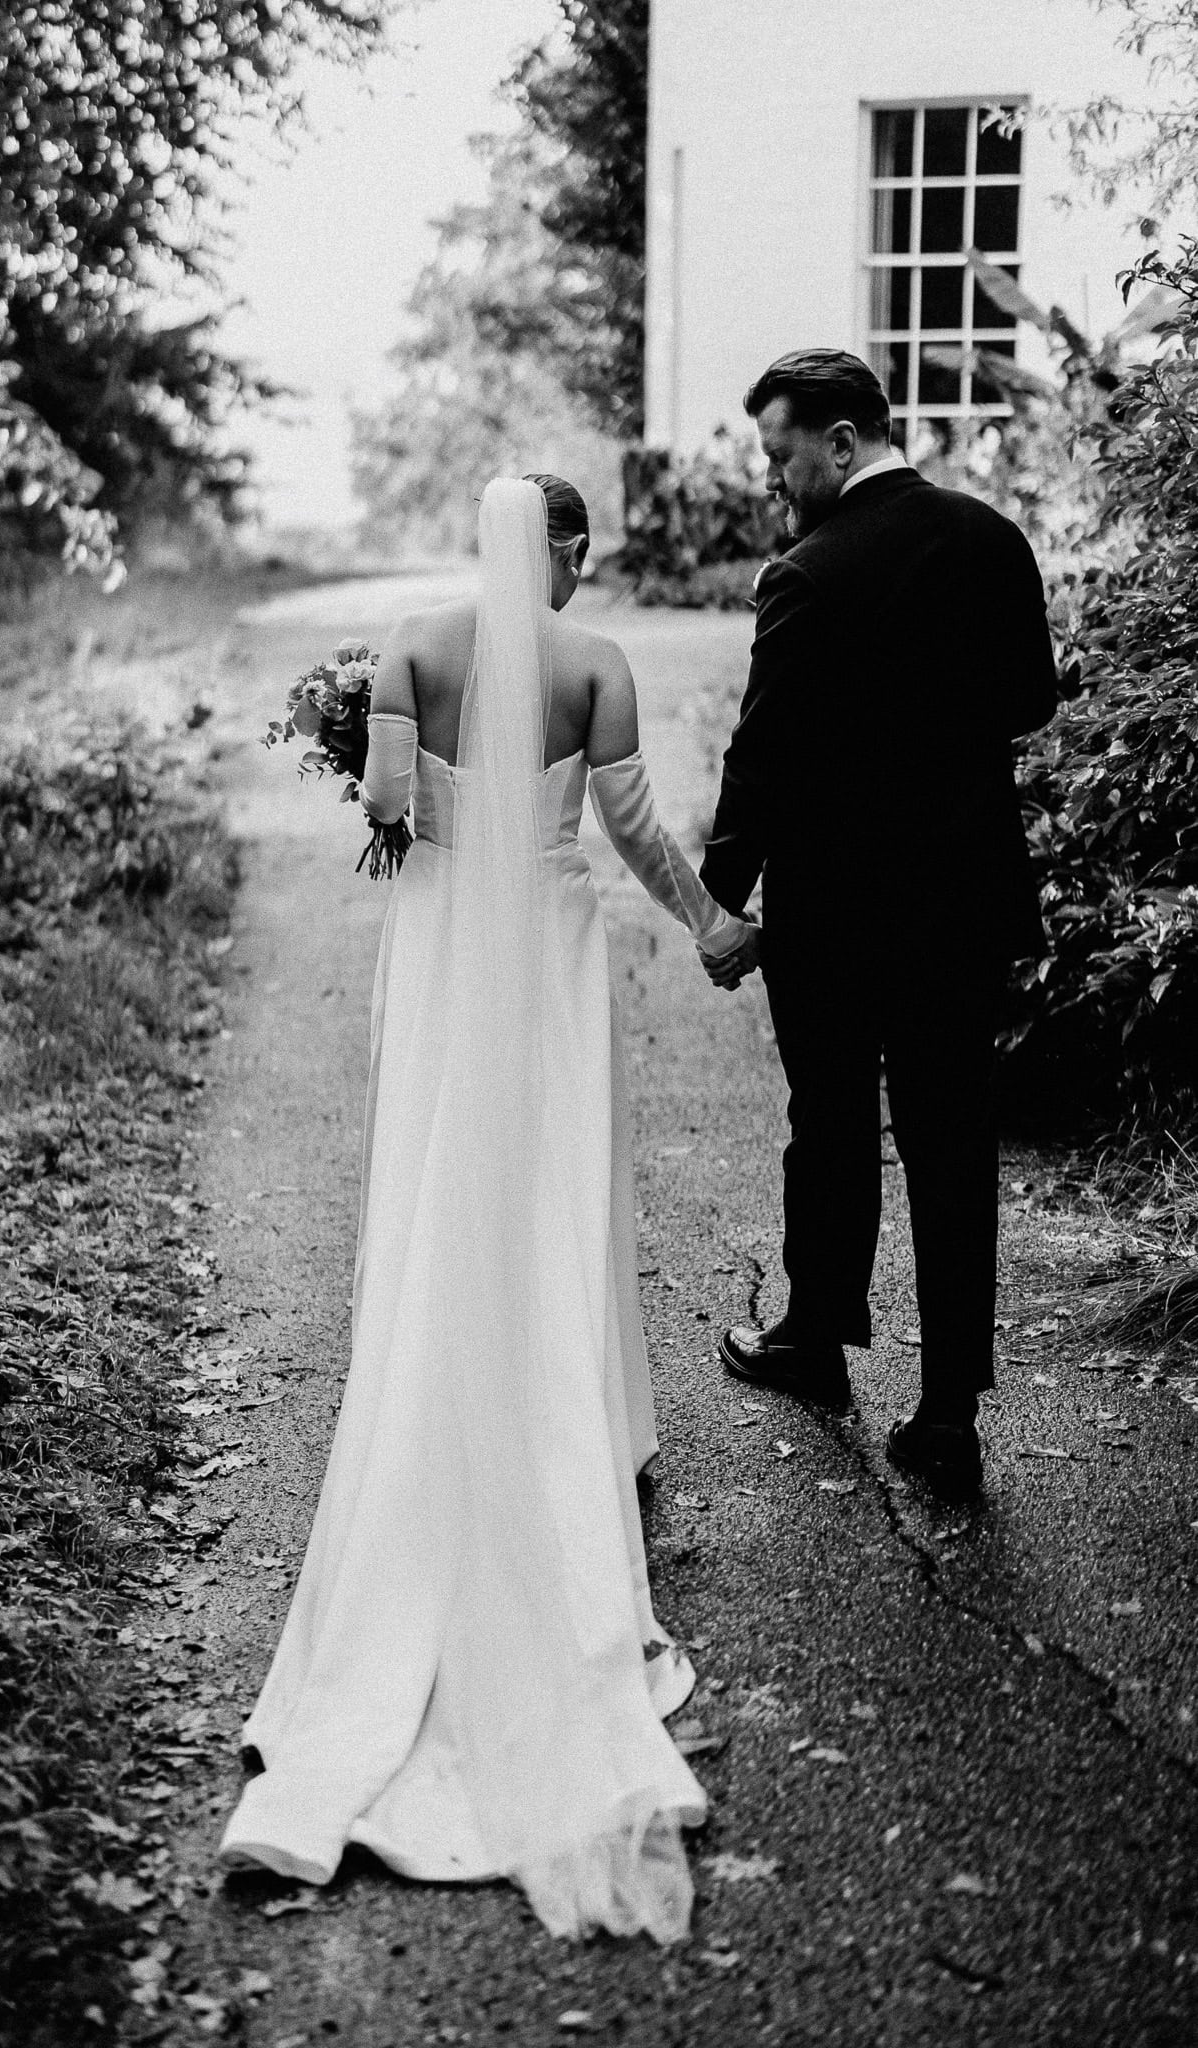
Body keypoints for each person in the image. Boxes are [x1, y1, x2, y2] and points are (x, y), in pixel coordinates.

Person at [219, 475, 757, 1941]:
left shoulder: (405, 643)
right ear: (565, 551)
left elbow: (394, 807)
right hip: (553, 938)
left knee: (436, 1166)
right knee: (558, 1183)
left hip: (446, 937)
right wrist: (715, 925)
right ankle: (581, 1419)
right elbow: (638, 830)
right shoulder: (598, 666)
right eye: (584, 549)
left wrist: (385, 771)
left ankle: (437, 1399)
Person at [701, 348, 1058, 1496]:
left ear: (841, 442)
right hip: (962, 896)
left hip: (839, 905)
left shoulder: (806, 573)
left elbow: (762, 753)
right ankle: (949, 1407)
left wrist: (721, 891)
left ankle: (816, 1335)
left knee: (835, 1117)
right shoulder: (993, 539)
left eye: (781, 454)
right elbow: (1033, 702)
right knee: (954, 1139)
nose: (775, 479)